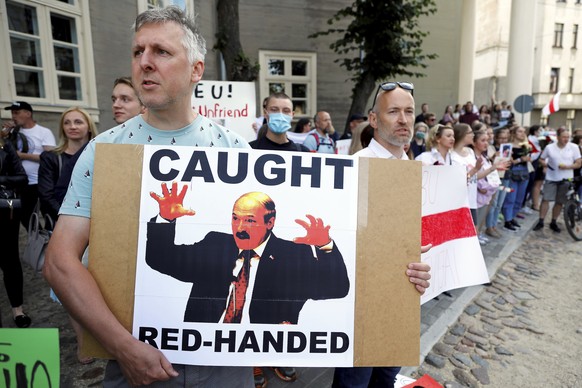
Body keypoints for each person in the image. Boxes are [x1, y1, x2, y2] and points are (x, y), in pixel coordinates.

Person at [43, 6, 252, 387]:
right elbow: (58, 261)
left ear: (196, 70)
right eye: (138, 52)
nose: (145, 63)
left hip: (226, 363)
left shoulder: (235, 148)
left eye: (161, 52)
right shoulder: (104, 151)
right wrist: (123, 347)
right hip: (133, 365)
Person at [332, 81, 432, 388]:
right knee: (354, 383)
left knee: (385, 381)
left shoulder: (415, 169)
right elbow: (338, 239)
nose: (403, 119)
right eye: (394, 112)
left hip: (403, 298)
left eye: (409, 112)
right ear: (374, 120)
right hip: (362, 305)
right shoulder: (353, 169)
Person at [249, 92, 308, 388]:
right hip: (257, 240)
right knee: (256, 299)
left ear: (293, 114)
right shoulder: (248, 150)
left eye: (286, 110)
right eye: (275, 109)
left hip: (289, 242)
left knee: (287, 303)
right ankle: (254, 359)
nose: (281, 114)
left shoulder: (304, 155)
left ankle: (279, 352)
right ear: (265, 112)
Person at [37, 106, 98, 364]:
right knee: (68, 283)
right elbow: (48, 194)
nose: (73, 126)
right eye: (68, 122)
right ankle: (83, 342)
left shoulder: (102, 150)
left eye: (78, 122)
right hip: (68, 227)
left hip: (96, 228)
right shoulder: (52, 157)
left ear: (88, 126)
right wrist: (71, 218)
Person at [3, 101, 56, 230]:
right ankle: (38, 241)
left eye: (17, 113)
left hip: (42, 181)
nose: (13, 116)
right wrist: (4, 134)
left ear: (28, 113)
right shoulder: (12, 133)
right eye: (12, 113)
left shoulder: (43, 132)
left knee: (49, 214)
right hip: (24, 184)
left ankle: (49, 240)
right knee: (26, 217)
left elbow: (50, 158)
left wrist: (21, 156)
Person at [0, 138, 30, 328]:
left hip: (4, 210)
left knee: (10, 260)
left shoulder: (4, 144)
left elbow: (21, 177)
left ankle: (17, 310)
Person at [533, 128, 582, 232]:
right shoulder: (549, 147)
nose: (566, 139)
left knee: (560, 202)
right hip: (551, 177)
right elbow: (541, 159)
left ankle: (553, 222)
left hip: (566, 178)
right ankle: (541, 221)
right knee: (546, 199)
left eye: (568, 137)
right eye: (564, 137)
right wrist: (545, 165)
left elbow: (578, 163)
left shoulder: (574, 147)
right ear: (558, 137)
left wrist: (568, 167)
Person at [452, 123, 483, 227]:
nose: (473, 134)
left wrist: (493, 168)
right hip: (460, 201)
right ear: (462, 135)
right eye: (470, 132)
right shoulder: (452, 156)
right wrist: (475, 169)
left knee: (474, 231)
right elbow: (459, 181)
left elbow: (475, 175)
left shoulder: (470, 151)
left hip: (472, 198)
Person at [501, 126, 532, 232]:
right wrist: (520, 159)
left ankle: (512, 217)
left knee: (520, 199)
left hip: (524, 172)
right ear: (514, 133)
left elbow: (528, 158)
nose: (522, 133)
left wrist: (527, 158)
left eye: (524, 132)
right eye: (520, 131)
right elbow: (507, 161)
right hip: (512, 173)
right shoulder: (508, 146)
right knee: (510, 198)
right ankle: (507, 220)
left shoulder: (526, 145)